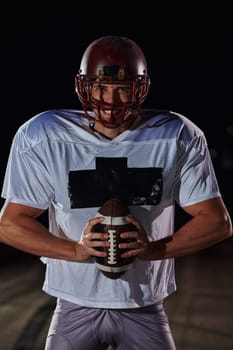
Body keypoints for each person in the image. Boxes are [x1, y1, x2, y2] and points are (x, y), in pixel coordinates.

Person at [0, 35, 232, 350]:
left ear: (141, 89)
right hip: (73, 303)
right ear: (83, 87)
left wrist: (153, 249)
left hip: (144, 304)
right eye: (101, 88)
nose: (112, 101)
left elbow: (217, 221)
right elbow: (10, 223)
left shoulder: (177, 135)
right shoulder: (43, 135)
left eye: (123, 89)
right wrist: (76, 251)